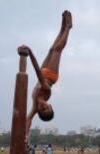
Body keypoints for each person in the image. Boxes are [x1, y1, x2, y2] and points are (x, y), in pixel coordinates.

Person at [24, 11, 72, 141]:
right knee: (57, 50)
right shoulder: (46, 91)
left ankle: (62, 27)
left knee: (51, 49)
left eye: (44, 110)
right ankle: (68, 28)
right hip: (51, 75)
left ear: (39, 111)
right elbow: (37, 73)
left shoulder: (35, 106)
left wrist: (26, 137)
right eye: (49, 108)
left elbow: (28, 119)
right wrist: (31, 53)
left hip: (43, 72)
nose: (46, 106)